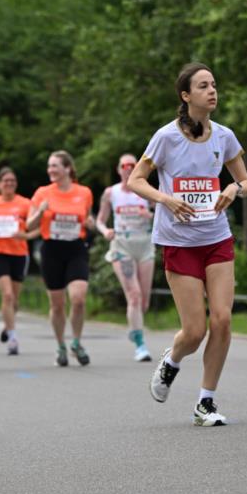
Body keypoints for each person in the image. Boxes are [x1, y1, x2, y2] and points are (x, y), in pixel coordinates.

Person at [127, 62, 247, 426]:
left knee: (224, 319)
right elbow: (137, 180)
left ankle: (206, 402)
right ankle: (172, 361)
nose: (212, 91)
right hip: (179, 241)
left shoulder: (224, 137)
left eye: (214, 84)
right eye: (203, 86)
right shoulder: (166, 137)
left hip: (216, 236)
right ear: (186, 96)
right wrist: (165, 199)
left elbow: (246, 183)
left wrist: (232, 188)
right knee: (195, 331)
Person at [26, 151, 95, 366]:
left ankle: (76, 342)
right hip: (52, 250)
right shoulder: (42, 193)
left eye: (55, 166)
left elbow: (88, 218)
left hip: (75, 248)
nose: (51, 170)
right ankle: (60, 346)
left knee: (78, 298)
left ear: (67, 168)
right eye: (49, 166)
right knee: (57, 305)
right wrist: (40, 212)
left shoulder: (84, 192)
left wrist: (90, 223)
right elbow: (29, 226)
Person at [96, 153, 155, 362]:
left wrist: (151, 215)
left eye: (132, 165)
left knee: (144, 301)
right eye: (124, 165)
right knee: (134, 295)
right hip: (122, 244)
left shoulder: (146, 190)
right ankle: (140, 344)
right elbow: (100, 220)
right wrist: (105, 231)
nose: (128, 168)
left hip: (145, 245)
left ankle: (134, 328)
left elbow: (165, 211)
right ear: (118, 169)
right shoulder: (110, 193)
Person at [0, 166, 34, 355]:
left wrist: (26, 236)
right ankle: (13, 337)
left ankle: (7, 325)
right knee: (7, 295)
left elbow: (36, 227)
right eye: (5, 181)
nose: (9, 184)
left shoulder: (25, 204)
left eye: (12, 181)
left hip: (19, 253)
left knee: (15, 300)